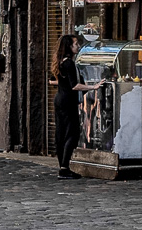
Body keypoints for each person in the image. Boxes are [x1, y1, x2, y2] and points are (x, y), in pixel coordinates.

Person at [52, 34, 102, 179]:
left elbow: (60, 81)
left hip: (60, 100)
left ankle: (62, 166)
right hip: (68, 101)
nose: (77, 46)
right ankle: (64, 168)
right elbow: (74, 85)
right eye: (75, 44)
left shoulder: (60, 62)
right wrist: (93, 87)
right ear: (69, 46)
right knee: (72, 134)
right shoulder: (69, 63)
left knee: (61, 133)